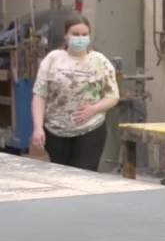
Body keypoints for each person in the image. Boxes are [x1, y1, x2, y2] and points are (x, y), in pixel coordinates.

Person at [31, 15, 120, 172]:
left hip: (90, 127)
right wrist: (38, 127)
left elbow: (112, 95)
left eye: (84, 34)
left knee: (84, 175)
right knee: (61, 175)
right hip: (56, 130)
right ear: (66, 35)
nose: (80, 38)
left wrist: (94, 108)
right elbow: (40, 95)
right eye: (75, 34)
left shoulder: (100, 61)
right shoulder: (52, 60)